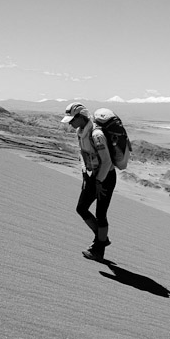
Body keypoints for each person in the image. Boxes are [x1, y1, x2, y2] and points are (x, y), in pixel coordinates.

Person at [61, 102, 116, 259]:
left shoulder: (96, 135)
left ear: (81, 116)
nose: (70, 123)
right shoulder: (81, 131)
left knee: (100, 214)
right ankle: (102, 239)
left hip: (106, 176)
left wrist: (99, 182)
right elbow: (83, 153)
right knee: (81, 208)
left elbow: (106, 162)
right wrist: (85, 173)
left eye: (72, 119)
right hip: (93, 176)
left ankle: (98, 249)